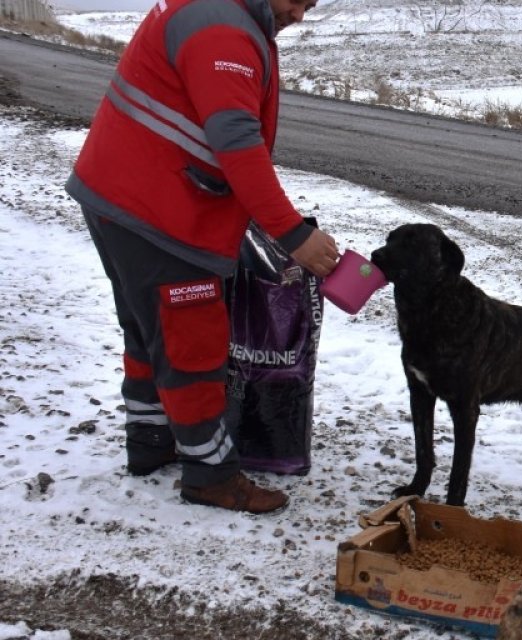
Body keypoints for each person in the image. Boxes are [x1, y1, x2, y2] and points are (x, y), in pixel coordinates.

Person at [65, 0, 337, 513]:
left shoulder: (216, 11)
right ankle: (211, 473)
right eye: (298, 1)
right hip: (157, 211)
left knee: (150, 331)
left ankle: (151, 442)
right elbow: (235, 139)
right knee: (192, 344)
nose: (300, 14)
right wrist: (292, 233)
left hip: (120, 196)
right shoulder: (223, 28)